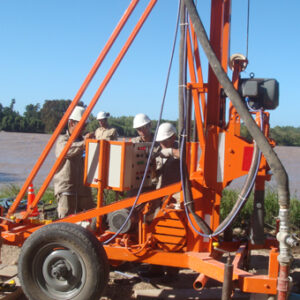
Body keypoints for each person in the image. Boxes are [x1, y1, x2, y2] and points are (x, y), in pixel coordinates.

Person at [54, 106, 95, 218]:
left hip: (83, 189)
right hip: (67, 189)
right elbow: (66, 152)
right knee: (66, 223)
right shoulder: (63, 140)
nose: (84, 129)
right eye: (82, 125)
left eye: (85, 126)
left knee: (92, 219)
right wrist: (84, 144)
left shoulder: (84, 141)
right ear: (72, 123)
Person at [155, 122, 180, 189]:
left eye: (165, 140)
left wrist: (171, 151)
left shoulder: (181, 148)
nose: (162, 143)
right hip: (161, 192)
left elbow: (189, 155)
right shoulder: (156, 151)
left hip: (176, 194)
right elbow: (153, 177)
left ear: (173, 137)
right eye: (160, 141)